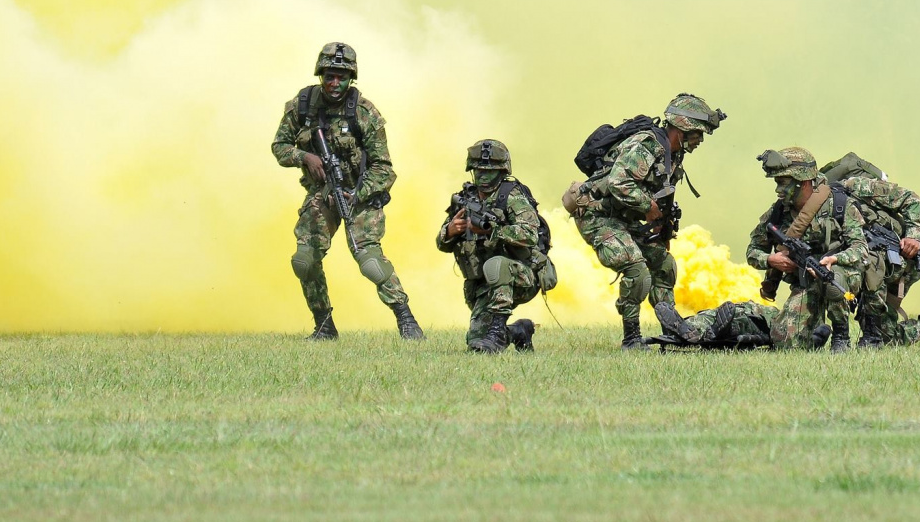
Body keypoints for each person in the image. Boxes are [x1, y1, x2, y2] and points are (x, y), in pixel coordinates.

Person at [270, 42, 423, 341]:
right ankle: (324, 324)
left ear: (351, 77)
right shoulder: (301, 106)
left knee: (369, 262)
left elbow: (384, 168)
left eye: (341, 76)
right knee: (305, 259)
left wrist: (358, 192)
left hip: (360, 194)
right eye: (329, 75)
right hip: (323, 192)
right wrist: (306, 157)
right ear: (320, 74)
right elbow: (279, 147)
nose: (335, 82)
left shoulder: (365, 114)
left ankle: (406, 318)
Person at [567, 94, 725, 350]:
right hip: (598, 215)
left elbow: (662, 195)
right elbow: (619, 183)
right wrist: (648, 207)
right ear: (684, 127)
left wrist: (663, 230)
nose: (700, 140)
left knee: (664, 265)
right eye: (698, 133)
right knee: (636, 269)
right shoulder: (647, 146)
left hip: (625, 218)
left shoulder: (673, 155)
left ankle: (671, 334)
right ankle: (631, 339)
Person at [821, 153, 920, 348]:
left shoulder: (856, 186)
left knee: (880, 336)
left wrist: (913, 236)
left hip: (902, 257)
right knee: (887, 337)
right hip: (871, 261)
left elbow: (911, 200)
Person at [744, 147, 868, 351]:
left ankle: (841, 335)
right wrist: (770, 260)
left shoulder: (838, 205)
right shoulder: (778, 212)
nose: (778, 190)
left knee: (833, 280)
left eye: (783, 183)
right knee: (785, 343)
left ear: (803, 181)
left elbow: (860, 249)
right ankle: (817, 334)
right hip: (805, 284)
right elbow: (752, 250)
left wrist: (834, 260)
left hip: (840, 277)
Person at [437, 139, 554, 353]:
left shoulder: (512, 196)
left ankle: (497, 332)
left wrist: (493, 231)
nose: (483, 175)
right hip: (483, 286)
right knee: (475, 343)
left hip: (522, 275)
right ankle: (518, 331)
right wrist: (450, 231)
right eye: (479, 170)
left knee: (497, 263)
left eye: (490, 171)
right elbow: (441, 244)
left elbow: (530, 234)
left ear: (502, 172)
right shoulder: (465, 199)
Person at [650, 300, 831, 350]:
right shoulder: (788, 318)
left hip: (756, 319)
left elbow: (821, 333)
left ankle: (686, 329)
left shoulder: (793, 333)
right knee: (714, 317)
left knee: (726, 320)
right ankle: (686, 328)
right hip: (754, 313)